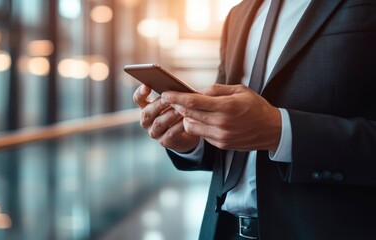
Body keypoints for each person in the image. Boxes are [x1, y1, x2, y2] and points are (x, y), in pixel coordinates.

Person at [133, 0, 376, 239]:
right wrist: (192, 141)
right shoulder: (238, 14)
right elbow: (234, 148)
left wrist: (281, 132)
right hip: (221, 229)